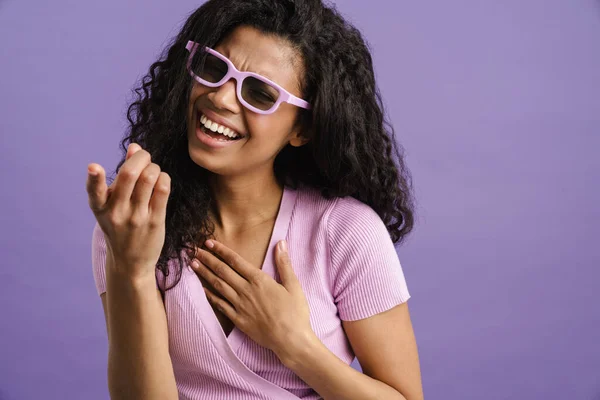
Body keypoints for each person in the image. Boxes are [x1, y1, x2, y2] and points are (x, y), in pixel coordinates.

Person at [85, 0, 423, 398]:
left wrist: (293, 342)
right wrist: (133, 270)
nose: (222, 99)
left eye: (260, 93)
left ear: (303, 128)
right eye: (213, 68)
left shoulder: (346, 232)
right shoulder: (135, 223)